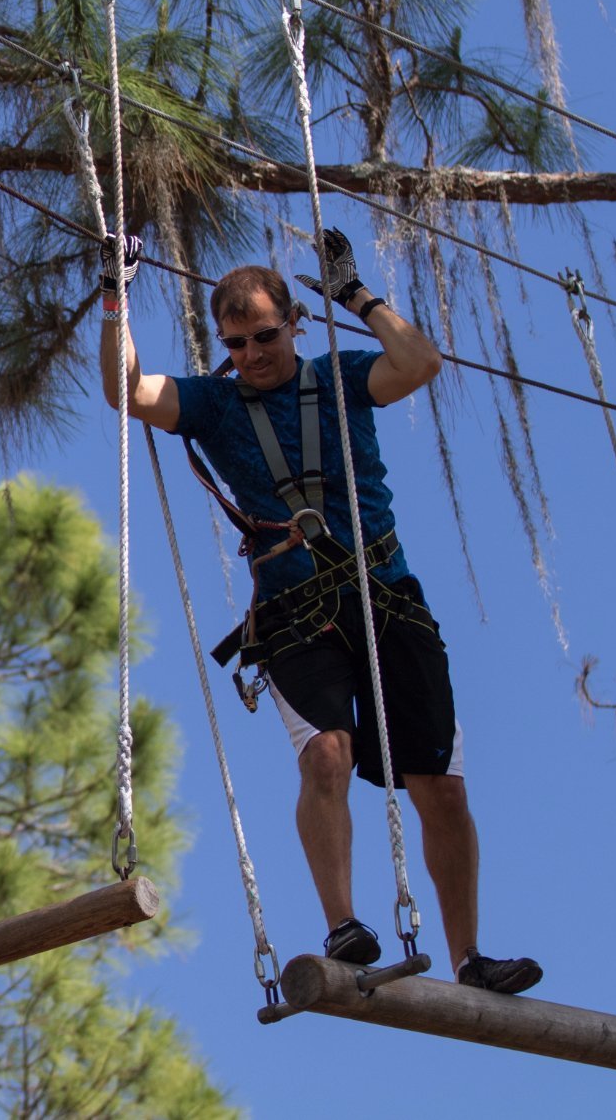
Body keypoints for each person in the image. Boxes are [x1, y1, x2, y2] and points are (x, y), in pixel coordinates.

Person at [98, 227, 541, 994]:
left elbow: (421, 363)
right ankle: (343, 920)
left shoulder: (344, 375)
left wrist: (355, 295)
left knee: (440, 785)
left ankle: (469, 956)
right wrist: (115, 300)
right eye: (236, 343)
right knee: (325, 755)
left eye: (265, 336)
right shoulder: (212, 400)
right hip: (298, 612)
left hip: (387, 594)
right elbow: (126, 390)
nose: (253, 355)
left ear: (294, 324)